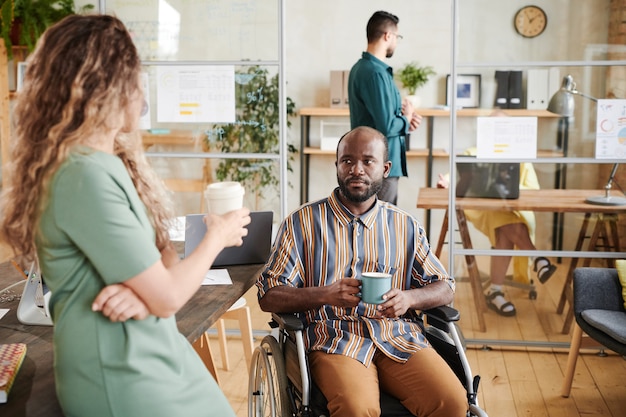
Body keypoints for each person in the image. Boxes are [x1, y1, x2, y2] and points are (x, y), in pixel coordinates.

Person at [0, 15, 250, 417]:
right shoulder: (84, 175)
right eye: (136, 79)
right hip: (123, 377)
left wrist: (140, 289)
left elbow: (161, 259)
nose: (142, 94)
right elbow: (167, 295)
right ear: (107, 86)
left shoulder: (104, 164)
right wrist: (216, 237)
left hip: (148, 355)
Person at [257, 126, 467, 417]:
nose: (357, 169)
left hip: (397, 335)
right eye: (347, 161)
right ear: (337, 166)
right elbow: (269, 295)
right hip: (334, 338)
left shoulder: (404, 226)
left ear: (385, 168)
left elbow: (445, 286)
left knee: (453, 403)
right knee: (357, 409)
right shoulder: (302, 223)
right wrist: (326, 294)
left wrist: (409, 299)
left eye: (368, 161)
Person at [437, 148, 557, 317]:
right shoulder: (475, 151)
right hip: (483, 206)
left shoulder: (520, 156)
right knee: (506, 220)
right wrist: (447, 182)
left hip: (510, 207)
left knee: (505, 227)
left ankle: (495, 292)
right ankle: (537, 258)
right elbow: (459, 174)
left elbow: (532, 189)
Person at [348, 10, 422, 205]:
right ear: (388, 36)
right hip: (378, 165)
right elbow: (386, 125)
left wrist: (406, 122)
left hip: (374, 162)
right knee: (381, 229)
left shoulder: (363, 69)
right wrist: (404, 120)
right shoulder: (375, 73)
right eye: (397, 37)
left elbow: (385, 120)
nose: (396, 42)